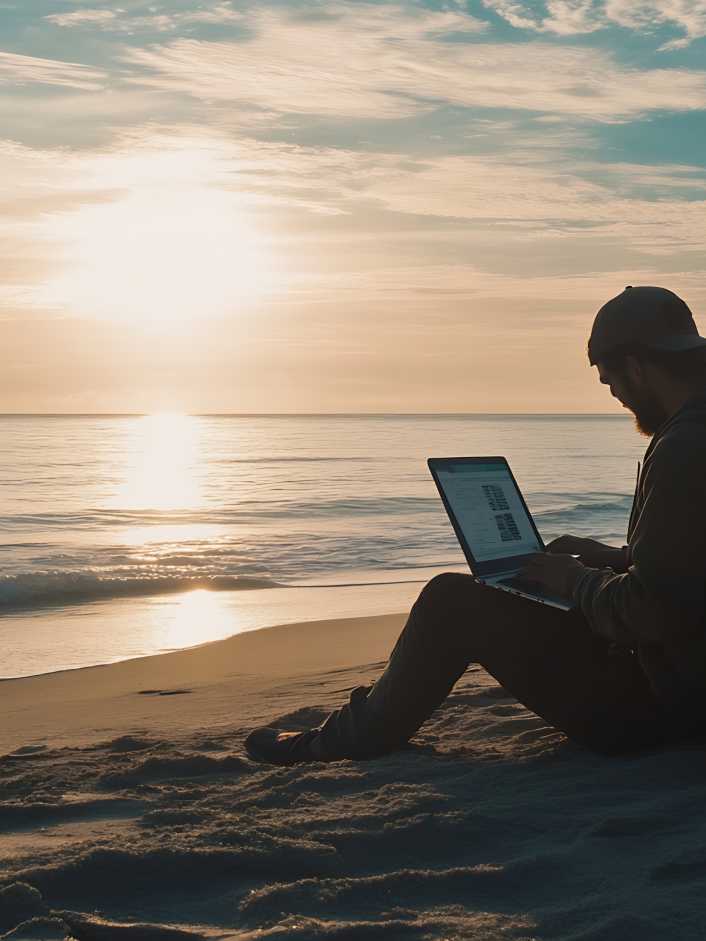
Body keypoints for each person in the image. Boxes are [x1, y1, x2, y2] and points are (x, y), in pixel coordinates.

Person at [245, 286, 706, 766]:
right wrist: (620, 558)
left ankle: (339, 743)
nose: (618, 399)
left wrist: (573, 580)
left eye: (612, 383)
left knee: (452, 602)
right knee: (537, 588)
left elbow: (654, 612)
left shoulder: (684, 447)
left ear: (635, 367)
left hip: (672, 710)